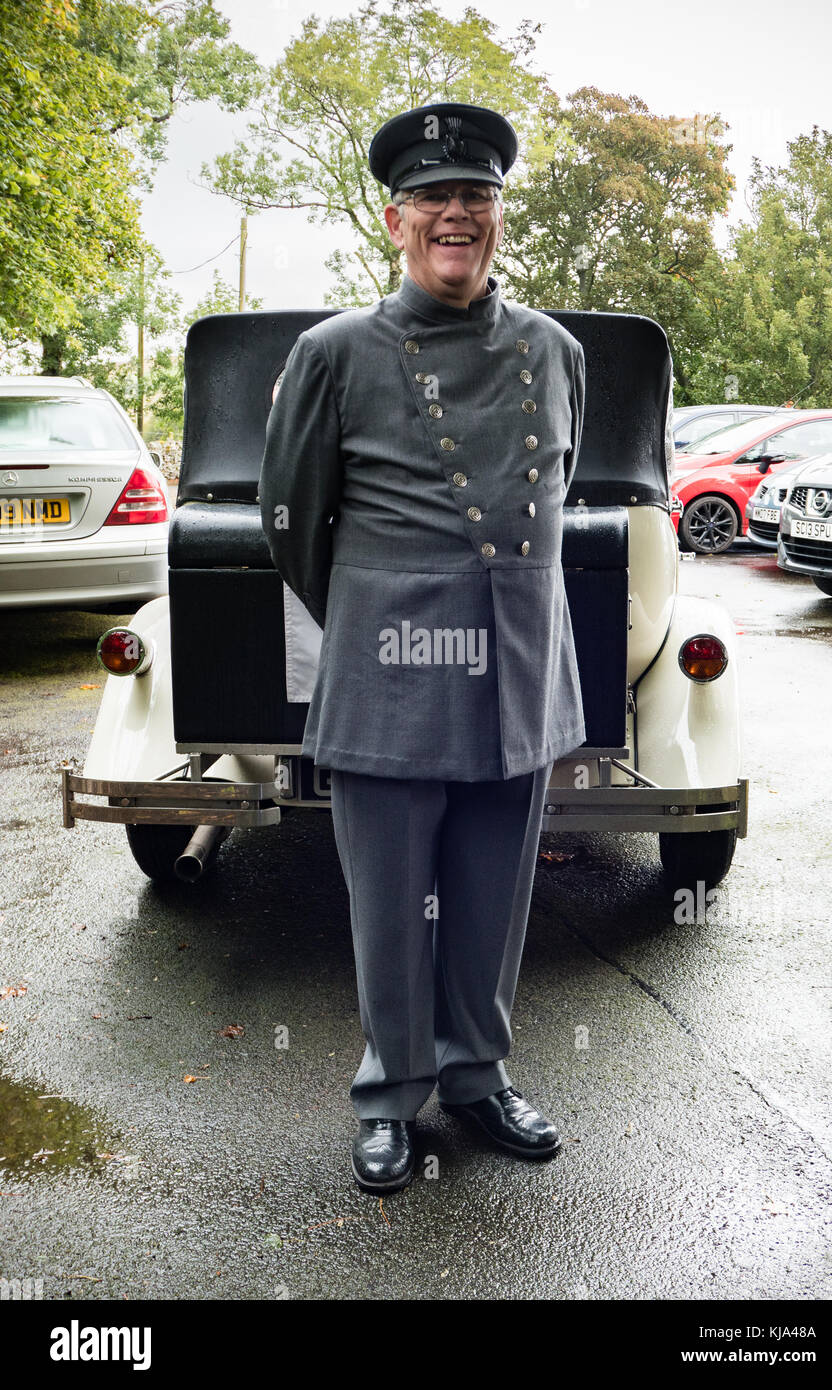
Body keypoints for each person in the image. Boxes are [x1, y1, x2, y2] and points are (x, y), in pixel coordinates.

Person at [259, 101, 586, 1193]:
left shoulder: (554, 350)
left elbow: (552, 494)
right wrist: (379, 615)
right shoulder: (332, 353)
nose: (457, 214)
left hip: (517, 673)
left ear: (496, 215)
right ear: (396, 221)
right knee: (392, 903)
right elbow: (293, 522)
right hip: (391, 675)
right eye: (435, 199)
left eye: (476, 197)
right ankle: (389, 1091)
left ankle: (475, 1075)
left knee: (490, 900)